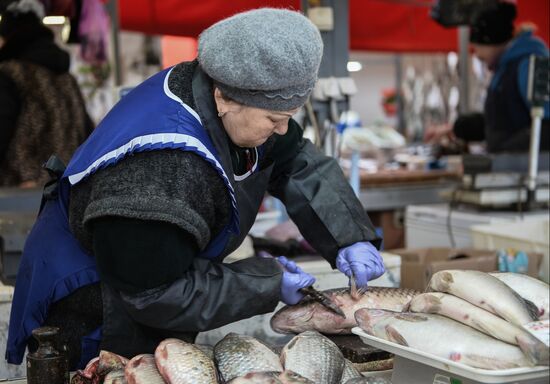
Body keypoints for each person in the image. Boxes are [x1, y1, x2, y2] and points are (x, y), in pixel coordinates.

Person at [6, 8, 384, 369]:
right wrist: (266, 284)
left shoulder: (227, 89)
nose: (282, 129)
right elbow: (154, 293)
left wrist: (349, 237)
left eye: (289, 117)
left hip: (151, 277)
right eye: (274, 119)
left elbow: (296, 158)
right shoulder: (162, 170)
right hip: (100, 308)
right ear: (224, 98)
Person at [424, 1, 549, 153]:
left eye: (476, 47)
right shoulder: (505, 68)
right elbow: (501, 124)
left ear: (491, 40)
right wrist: (454, 129)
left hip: (529, 172)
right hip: (510, 170)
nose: (476, 54)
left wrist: (503, 154)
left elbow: (545, 127)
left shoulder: (528, 64)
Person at [0, 0, 93, 187]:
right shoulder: (68, 81)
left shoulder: (9, 75)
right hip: (67, 198)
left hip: (19, 200)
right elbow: (89, 138)